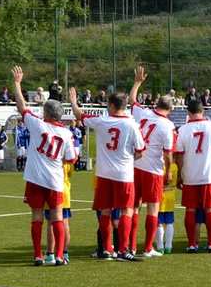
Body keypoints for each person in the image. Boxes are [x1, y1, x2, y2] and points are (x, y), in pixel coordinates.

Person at [69, 83, 146, 262]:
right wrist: (127, 159)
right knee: (126, 210)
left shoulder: (101, 121)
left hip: (103, 174)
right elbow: (141, 151)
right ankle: (122, 251)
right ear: (124, 106)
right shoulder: (133, 125)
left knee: (105, 212)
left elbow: (80, 115)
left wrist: (73, 102)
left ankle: (107, 249)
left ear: (110, 106)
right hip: (124, 174)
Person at [12, 66, 77, 266]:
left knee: (37, 216)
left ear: (46, 113)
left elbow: (22, 107)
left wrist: (17, 83)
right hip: (55, 179)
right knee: (57, 216)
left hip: (34, 177)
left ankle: (38, 255)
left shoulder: (37, 124)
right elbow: (72, 159)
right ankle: (59, 255)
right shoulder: (67, 134)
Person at [128, 66, 177, 258]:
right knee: (153, 208)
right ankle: (148, 247)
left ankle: (130, 245)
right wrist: (169, 172)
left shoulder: (144, 113)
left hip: (136, 165)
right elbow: (168, 154)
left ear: (156, 105)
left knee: (133, 207)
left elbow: (132, 100)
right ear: (170, 109)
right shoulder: (168, 125)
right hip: (153, 170)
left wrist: (138, 82)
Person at [173, 99, 211, 252]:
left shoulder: (182, 130)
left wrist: (180, 175)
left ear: (188, 113)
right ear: (203, 111)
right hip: (208, 175)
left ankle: (191, 244)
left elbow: (179, 156)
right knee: (210, 209)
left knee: (190, 210)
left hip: (190, 175)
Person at [43, 160, 73, 264]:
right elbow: (70, 172)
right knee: (64, 222)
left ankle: (50, 253)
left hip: (51, 187)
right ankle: (64, 253)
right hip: (64, 188)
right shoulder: (66, 151)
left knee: (51, 223)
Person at [155, 161, 179, 254]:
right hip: (170, 199)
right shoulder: (174, 167)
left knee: (159, 223)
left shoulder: (159, 167)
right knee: (169, 222)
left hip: (160, 199)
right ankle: (169, 247)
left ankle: (160, 246)